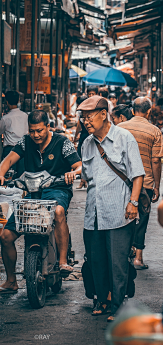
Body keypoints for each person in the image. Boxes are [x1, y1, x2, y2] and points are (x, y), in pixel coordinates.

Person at [0, 110, 82, 294]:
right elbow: (8, 160)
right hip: (33, 192)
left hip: (57, 189)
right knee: (6, 237)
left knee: (58, 212)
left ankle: (62, 261)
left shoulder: (62, 142)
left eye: (40, 130)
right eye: (32, 131)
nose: (36, 135)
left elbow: (79, 165)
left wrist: (73, 173)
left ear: (48, 127)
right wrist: (0, 174)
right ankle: (11, 281)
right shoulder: (25, 142)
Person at [77, 95, 144, 321]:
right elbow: (86, 175)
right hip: (93, 212)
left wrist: (133, 203)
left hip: (119, 211)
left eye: (89, 116)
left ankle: (118, 305)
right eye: (83, 117)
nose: (85, 121)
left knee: (117, 261)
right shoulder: (87, 143)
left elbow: (137, 174)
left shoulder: (124, 138)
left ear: (104, 114)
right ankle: (101, 299)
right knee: (96, 260)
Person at [118, 97, 163, 270]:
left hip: (123, 180)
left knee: (123, 217)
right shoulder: (154, 131)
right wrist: (157, 186)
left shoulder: (120, 128)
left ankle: (122, 253)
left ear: (133, 109)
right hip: (145, 182)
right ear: (149, 111)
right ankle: (138, 258)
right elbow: (156, 161)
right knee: (142, 219)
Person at [0, 91, 28, 176]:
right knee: (21, 176)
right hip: (23, 149)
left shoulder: (6, 118)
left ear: (7, 102)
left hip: (10, 150)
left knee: (8, 176)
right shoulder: (25, 116)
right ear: (18, 101)